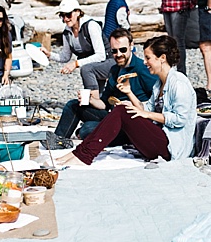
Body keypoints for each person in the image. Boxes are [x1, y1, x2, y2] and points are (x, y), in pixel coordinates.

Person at [56, 35, 196, 167]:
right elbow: (147, 107)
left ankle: (83, 155)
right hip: (159, 139)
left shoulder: (179, 83)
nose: (145, 62)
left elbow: (179, 119)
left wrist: (146, 115)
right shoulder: (159, 83)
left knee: (117, 114)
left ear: (162, 58)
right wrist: (130, 97)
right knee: (122, 108)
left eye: (148, 58)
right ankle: (80, 152)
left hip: (171, 148)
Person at [54, 28, 158, 140]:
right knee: (73, 105)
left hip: (132, 121)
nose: (118, 54)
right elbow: (104, 104)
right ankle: (57, 140)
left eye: (123, 50)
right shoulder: (114, 69)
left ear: (131, 46)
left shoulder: (142, 69)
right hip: (114, 116)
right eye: (114, 51)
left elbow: (156, 102)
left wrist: (133, 104)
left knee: (87, 129)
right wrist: (91, 100)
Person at [45, 0, 107, 90]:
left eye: (68, 15)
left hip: (108, 62)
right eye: (62, 15)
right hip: (91, 66)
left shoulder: (91, 26)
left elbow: (101, 56)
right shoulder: (67, 32)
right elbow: (65, 57)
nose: (65, 19)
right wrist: (49, 55)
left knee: (86, 69)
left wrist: (76, 63)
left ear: (78, 12)